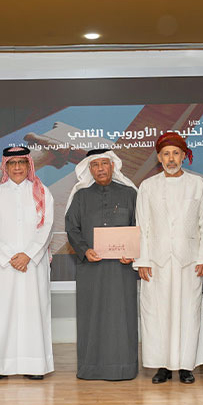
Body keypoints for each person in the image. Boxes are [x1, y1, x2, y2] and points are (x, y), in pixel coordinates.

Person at [133, 135, 203, 384]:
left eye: (176, 153)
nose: (171, 159)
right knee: (156, 315)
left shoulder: (198, 184)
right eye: (166, 154)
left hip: (188, 261)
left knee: (188, 313)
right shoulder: (147, 186)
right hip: (156, 262)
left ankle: (186, 365)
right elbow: (142, 225)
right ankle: (162, 366)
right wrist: (142, 260)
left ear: (183, 156)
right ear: (159, 158)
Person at [65, 148, 139, 381]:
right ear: (89, 169)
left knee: (122, 316)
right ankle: (90, 368)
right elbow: (72, 228)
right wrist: (85, 250)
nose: (100, 169)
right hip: (91, 268)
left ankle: (124, 367)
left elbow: (141, 226)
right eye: (95, 165)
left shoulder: (130, 194)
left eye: (104, 164)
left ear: (113, 166)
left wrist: (134, 253)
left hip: (122, 269)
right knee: (91, 315)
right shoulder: (80, 196)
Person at [0, 146, 55, 381]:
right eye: (12, 164)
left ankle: (34, 365)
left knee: (33, 313)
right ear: (5, 166)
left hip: (33, 264)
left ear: (28, 165)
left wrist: (28, 255)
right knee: (1, 313)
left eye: (21, 163)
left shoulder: (43, 192)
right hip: (2, 266)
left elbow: (47, 227)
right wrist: (9, 256)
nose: (16, 168)